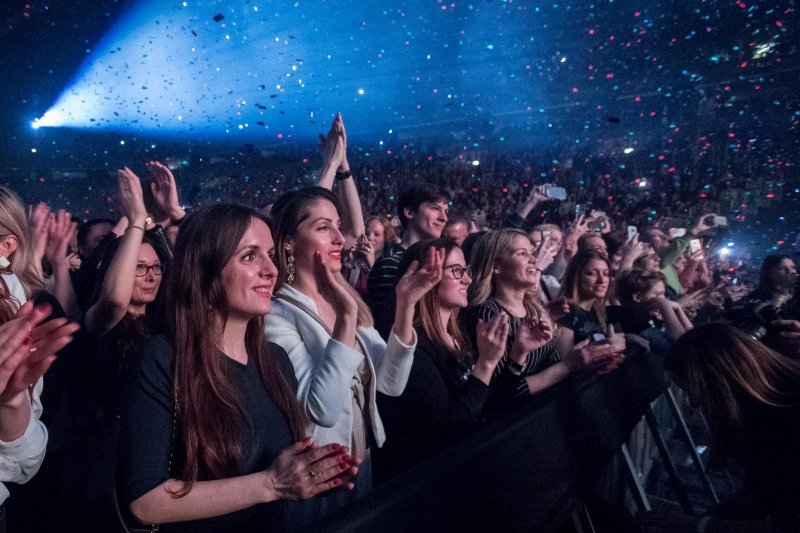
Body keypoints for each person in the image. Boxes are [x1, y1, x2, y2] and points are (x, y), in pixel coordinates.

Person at [120, 204, 357, 531]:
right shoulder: (163, 359)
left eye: (271, 255)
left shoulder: (275, 360)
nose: (271, 270)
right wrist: (270, 484)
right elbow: (145, 502)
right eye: (249, 256)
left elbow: (278, 468)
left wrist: (313, 475)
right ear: (205, 270)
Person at [266, 187, 441, 501]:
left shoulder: (349, 301)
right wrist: (346, 319)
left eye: (337, 225)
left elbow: (391, 383)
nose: (338, 237)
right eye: (323, 227)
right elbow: (321, 410)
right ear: (289, 241)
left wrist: (405, 306)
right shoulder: (277, 314)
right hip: (316, 475)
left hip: (362, 459)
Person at [375, 238, 508, 483]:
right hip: (427, 482)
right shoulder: (415, 346)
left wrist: (517, 354)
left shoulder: (458, 336)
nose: (467, 279)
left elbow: (484, 405)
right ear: (426, 276)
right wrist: (486, 365)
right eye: (457, 271)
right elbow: (445, 430)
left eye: (466, 270)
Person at [462, 229, 622, 416]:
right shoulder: (490, 314)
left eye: (531, 252)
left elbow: (551, 366)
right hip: (520, 425)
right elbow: (501, 395)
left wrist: (594, 359)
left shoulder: (534, 309)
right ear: (496, 266)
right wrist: (568, 366)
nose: (533, 259)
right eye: (522, 253)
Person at [663, 324, 800, 533]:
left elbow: (786, 527)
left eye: (694, 391)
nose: (694, 403)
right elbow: (765, 490)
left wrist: (700, 525)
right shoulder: (769, 413)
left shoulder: (787, 425)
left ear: (718, 382)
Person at [366, 183, 450, 338]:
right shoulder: (389, 263)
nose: (443, 218)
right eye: (435, 208)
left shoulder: (434, 261)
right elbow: (387, 324)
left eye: (446, 211)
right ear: (410, 212)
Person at [554, 249, 626, 359]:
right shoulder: (564, 311)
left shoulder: (601, 312)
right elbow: (564, 362)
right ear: (576, 276)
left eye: (606, 274)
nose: (602, 280)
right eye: (592, 273)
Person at [609, 269, 692, 357]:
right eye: (658, 294)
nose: (663, 299)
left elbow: (695, 338)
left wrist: (678, 309)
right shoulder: (632, 321)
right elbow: (681, 344)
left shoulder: (647, 317)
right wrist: (664, 306)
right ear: (637, 297)